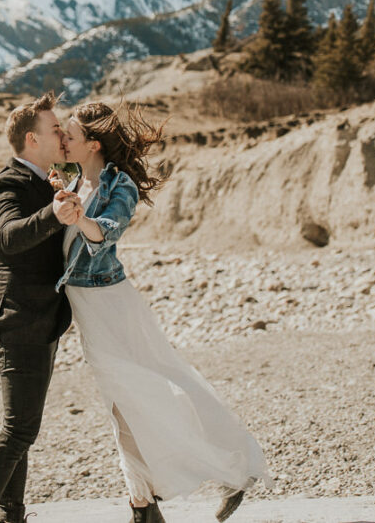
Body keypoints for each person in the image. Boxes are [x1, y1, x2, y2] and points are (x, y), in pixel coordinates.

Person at [51, 101, 268, 523]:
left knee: (163, 387)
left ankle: (236, 468)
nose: (61, 140)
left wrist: (80, 219)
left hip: (111, 304)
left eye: (69, 136)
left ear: (93, 144)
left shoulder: (120, 186)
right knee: (123, 404)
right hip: (88, 307)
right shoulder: (76, 181)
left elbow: (107, 231)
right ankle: (143, 504)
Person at [0, 92, 74, 523]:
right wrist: (53, 214)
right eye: (55, 129)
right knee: (18, 430)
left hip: (39, 321)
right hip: (19, 321)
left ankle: (12, 516)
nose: (61, 134)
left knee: (21, 431)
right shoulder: (10, 184)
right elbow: (9, 237)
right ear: (32, 140)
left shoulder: (45, 181)